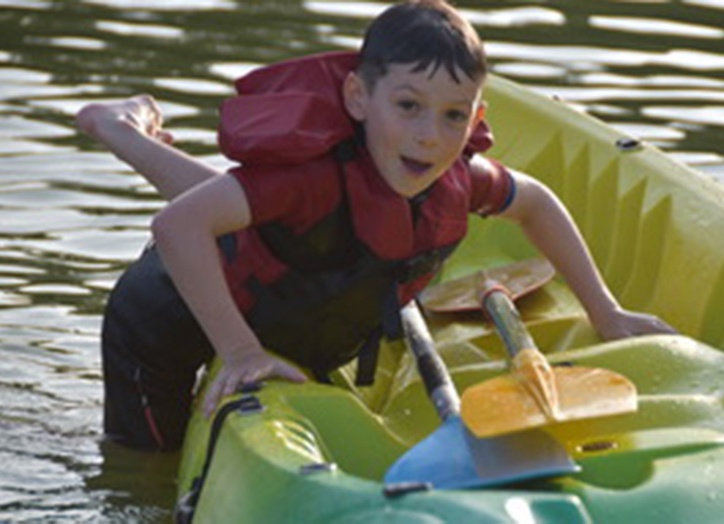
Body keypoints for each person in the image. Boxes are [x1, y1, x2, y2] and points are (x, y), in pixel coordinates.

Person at [76, 0, 675, 452]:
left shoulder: (459, 179)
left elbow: (537, 202)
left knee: (256, 214)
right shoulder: (312, 178)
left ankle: (118, 128)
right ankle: (117, 128)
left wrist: (606, 311)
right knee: (145, 471)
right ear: (358, 98)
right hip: (164, 320)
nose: (429, 136)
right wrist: (239, 352)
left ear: (477, 119)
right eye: (408, 106)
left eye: (453, 116)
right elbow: (179, 226)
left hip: (273, 293)